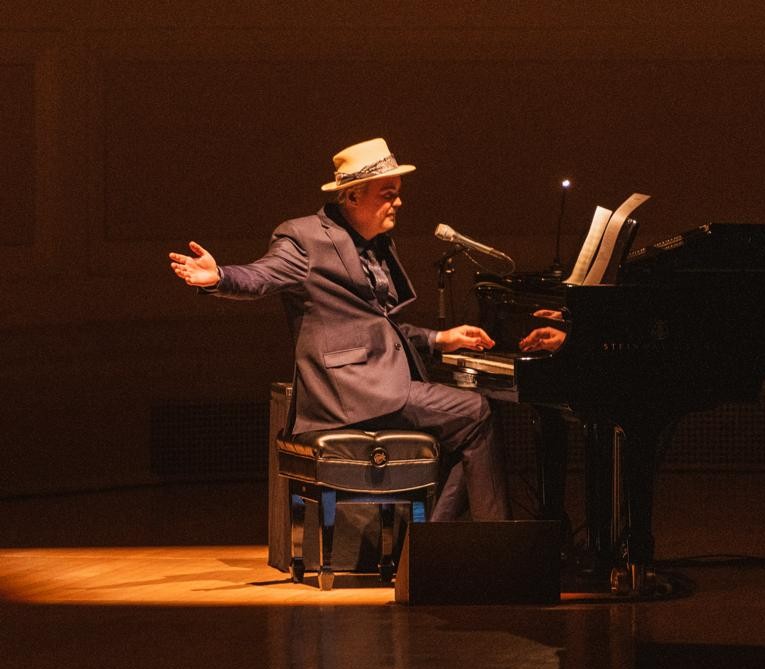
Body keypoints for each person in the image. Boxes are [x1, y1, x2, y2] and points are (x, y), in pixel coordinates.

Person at [169, 137, 510, 522]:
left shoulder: (375, 245)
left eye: (397, 193)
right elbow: (261, 276)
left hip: (376, 385)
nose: (397, 202)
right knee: (477, 412)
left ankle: (430, 547)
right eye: (387, 193)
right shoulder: (304, 239)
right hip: (348, 391)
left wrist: (438, 339)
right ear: (352, 197)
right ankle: (486, 546)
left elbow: (375, 327)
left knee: (468, 424)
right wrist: (219, 277)